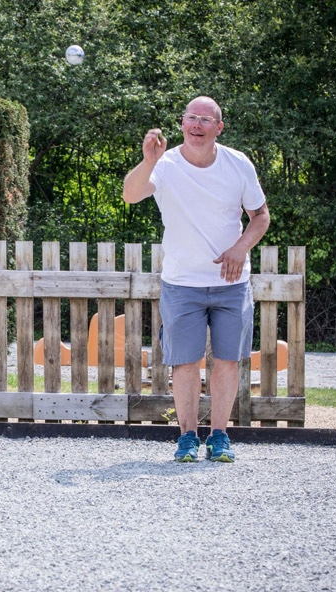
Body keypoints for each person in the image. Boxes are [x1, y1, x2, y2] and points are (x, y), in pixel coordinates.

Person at [122, 96, 270, 463]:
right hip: (181, 282)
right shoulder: (165, 164)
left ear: (219, 127)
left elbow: (261, 216)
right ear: (182, 123)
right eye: (192, 118)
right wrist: (148, 161)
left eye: (206, 119)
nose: (198, 125)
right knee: (184, 362)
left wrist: (240, 248)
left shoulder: (238, 164)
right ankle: (187, 437)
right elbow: (129, 194)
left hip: (231, 283)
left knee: (228, 360)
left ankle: (219, 436)